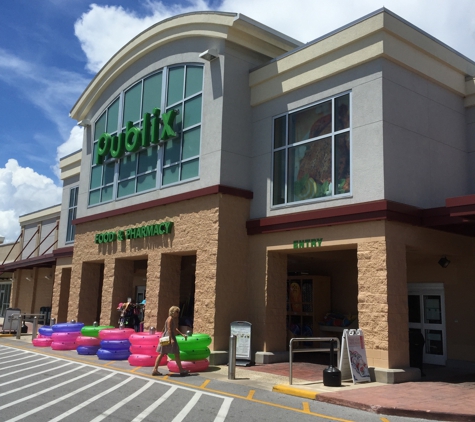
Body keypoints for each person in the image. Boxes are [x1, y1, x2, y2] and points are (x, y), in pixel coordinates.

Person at [152, 306, 189, 376]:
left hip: (166, 336)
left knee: (163, 353)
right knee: (174, 353)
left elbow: (174, 328)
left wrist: (182, 334)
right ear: (173, 312)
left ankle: (155, 369)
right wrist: (171, 339)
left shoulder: (171, 319)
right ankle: (181, 370)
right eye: (177, 312)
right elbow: (169, 329)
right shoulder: (170, 319)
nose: (178, 313)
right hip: (168, 337)